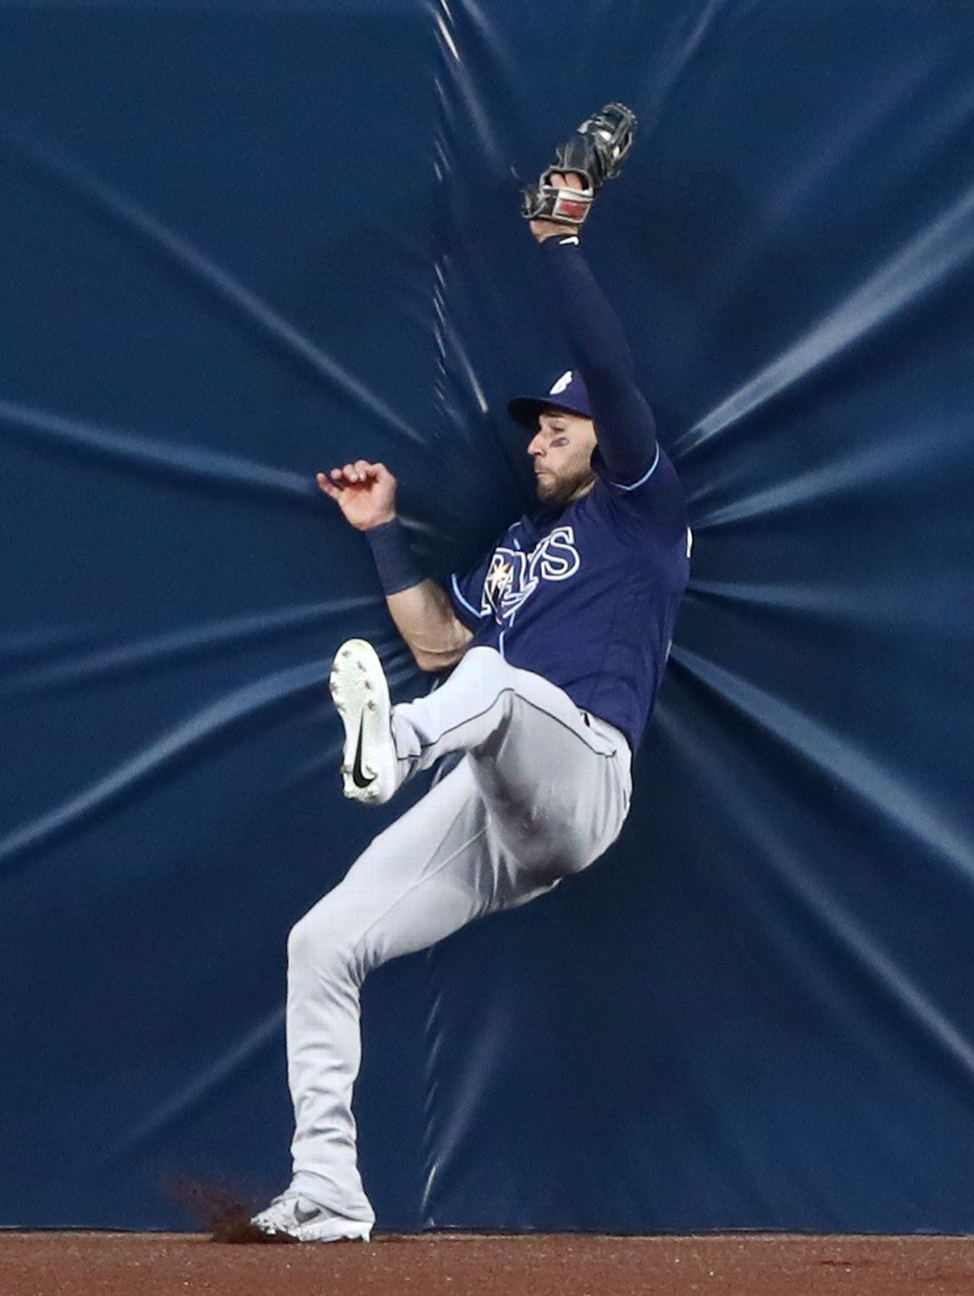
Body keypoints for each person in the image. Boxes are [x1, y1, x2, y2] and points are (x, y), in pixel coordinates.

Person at [250, 175, 691, 1242]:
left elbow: (614, 373)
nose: (538, 439)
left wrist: (557, 243)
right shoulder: (511, 554)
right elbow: (441, 647)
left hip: (584, 774)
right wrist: (383, 529)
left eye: (557, 425)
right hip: (498, 796)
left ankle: (390, 749)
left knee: (494, 688)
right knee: (324, 940)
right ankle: (327, 1191)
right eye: (535, 427)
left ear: (601, 437)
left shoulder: (642, 510)